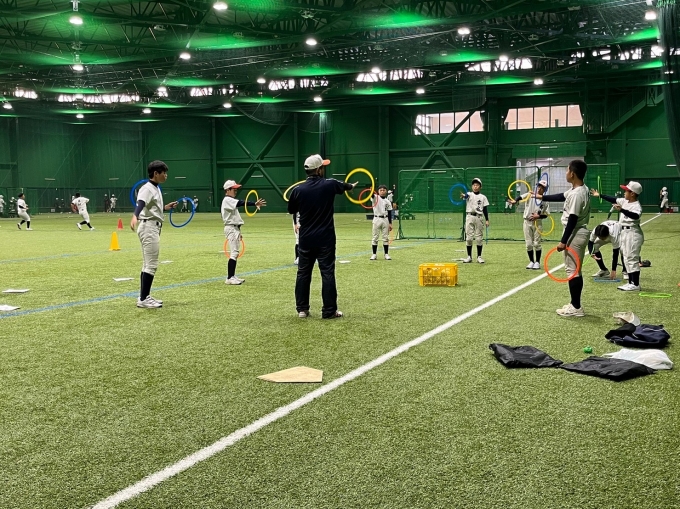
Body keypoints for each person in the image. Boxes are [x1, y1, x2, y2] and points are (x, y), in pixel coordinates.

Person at [287, 154, 357, 318]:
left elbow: (291, 210)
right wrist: (351, 186)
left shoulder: (297, 190)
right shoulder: (329, 184)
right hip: (325, 238)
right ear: (318, 170)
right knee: (327, 273)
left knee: (303, 273)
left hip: (305, 239)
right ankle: (329, 311)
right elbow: (346, 186)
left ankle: (302, 309)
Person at [535, 160, 590, 317]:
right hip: (578, 232)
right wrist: (541, 196)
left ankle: (576, 307)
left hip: (575, 233)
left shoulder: (577, 194)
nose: (566, 173)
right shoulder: (579, 189)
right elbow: (561, 196)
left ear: (572, 173)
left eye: (567, 170)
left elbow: (572, 219)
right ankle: (574, 304)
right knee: (575, 270)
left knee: (572, 271)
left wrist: (563, 241)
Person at [130, 160, 178, 308]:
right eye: (164, 173)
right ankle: (144, 299)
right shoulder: (147, 188)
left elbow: (151, 207)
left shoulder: (155, 188)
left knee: (147, 264)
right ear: (156, 173)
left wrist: (165, 207)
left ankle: (144, 296)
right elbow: (141, 203)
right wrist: (135, 216)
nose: (166, 175)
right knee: (151, 265)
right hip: (149, 227)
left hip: (152, 226)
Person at [592, 181, 644, 291]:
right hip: (624, 232)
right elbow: (613, 199)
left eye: (626, 191)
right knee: (626, 257)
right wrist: (599, 195)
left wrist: (622, 210)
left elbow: (635, 216)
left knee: (632, 258)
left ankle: (635, 284)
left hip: (633, 233)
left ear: (632, 193)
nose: (624, 192)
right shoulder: (625, 201)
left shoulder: (636, 206)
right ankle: (631, 282)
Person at [221, 180, 266, 285]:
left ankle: (232, 276)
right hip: (231, 228)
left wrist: (238, 231)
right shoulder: (227, 200)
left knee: (235, 253)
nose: (236, 191)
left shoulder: (230, 200)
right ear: (228, 190)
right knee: (234, 253)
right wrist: (254, 203)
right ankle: (229, 278)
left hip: (234, 228)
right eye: (234, 189)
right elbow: (240, 203)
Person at [508, 179, 549, 269]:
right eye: (539, 186)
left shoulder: (545, 200)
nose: (539, 188)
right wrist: (515, 201)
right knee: (529, 244)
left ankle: (537, 262)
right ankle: (531, 261)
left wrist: (538, 216)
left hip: (537, 223)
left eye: (542, 187)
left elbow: (546, 215)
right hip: (527, 222)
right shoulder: (530, 194)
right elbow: (520, 197)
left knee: (537, 243)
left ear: (545, 190)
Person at [461, 177, 489, 263]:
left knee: (479, 238)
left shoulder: (483, 197)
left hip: (479, 217)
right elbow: (465, 196)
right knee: (469, 238)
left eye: (477, 185)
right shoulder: (469, 194)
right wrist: (463, 196)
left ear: (480, 186)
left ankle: (479, 257)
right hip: (469, 216)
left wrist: (487, 220)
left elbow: (485, 209)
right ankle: (469, 257)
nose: (475, 186)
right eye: (474, 185)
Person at [370, 185, 393, 260]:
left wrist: (390, 223)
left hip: (385, 219)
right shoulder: (376, 197)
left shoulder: (388, 201)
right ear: (378, 191)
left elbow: (389, 213)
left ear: (386, 191)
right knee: (375, 237)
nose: (382, 191)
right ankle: (374, 254)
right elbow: (372, 195)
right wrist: (371, 191)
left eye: (384, 190)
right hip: (377, 218)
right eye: (381, 190)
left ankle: (386, 254)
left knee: (385, 237)